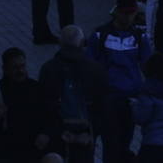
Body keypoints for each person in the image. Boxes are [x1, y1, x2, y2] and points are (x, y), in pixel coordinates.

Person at [88, 0, 152, 162]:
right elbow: (89, 66)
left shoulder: (140, 37)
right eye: (124, 13)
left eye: (131, 13)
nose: (128, 17)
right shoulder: (99, 35)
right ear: (116, 12)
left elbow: (149, 68)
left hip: (130, 99)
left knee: (124, 143)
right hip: (107, 99)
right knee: (111, 144)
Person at [38, 25, 110, 162]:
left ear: (60, 43)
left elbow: (42, 104)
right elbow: (103, 107)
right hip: (85, 137)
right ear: (82, 43)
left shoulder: (49, 69)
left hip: (56, 137)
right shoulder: (96, 70)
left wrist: (48, 131)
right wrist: (92, 133)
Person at [0, 47, 52, 163]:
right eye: (15, 67)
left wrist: (46, 133)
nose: (20, 71)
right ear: (5, 69)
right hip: (6, 152)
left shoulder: (36, 88)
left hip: (34, 151)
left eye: (22, 66)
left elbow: (51, 116)